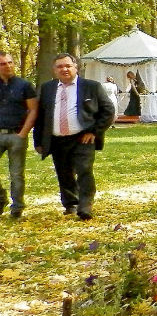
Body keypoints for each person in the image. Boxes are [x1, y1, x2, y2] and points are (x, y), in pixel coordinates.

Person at [33, 53, 116, 220]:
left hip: (82, 137)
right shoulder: (47, 88)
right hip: (57, 139)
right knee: (64, 173)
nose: (64, 69)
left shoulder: (91, 86)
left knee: (84, 170)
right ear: (54, 70)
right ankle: (71, 204)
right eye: (60, 66)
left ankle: (85, 206)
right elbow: (40, 116)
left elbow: (108, 111)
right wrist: (38, 140)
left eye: (68, 66)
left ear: (75, 67)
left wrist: (94, 131)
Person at [0, 51, 38, 220]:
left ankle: (17, 207)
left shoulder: (24, 85)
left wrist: (23, 133)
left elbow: (33, 110)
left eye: (10, 62)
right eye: (3, 64)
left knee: (16, 174)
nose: (7, 66)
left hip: (16, 135)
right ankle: (1, 198)